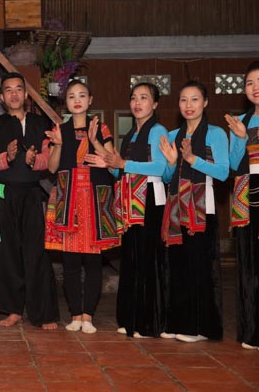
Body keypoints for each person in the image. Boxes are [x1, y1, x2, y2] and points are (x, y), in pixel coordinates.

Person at [0, 72, 59, 329]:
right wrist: (8, 157)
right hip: (3, 195)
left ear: (26, 95)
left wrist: (34, 160)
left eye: (18, 89)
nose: (14, 94)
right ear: (2, 98)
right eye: (8, 90)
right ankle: (13, 310)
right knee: (6, 254)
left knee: (37, 253)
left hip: (32, 196)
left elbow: (50, 160)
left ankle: (43, 313)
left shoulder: (39, 124)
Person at [94, 82, 169, 338]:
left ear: (155, 104)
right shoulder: (130, 135)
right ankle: (129, 318)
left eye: (144, 98)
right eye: (134, 98)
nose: (137, 102)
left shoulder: (159, 130)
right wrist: (104, 158)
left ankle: (148, 322)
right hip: (128, 202)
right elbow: (118, 171)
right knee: (131, 261)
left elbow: (160, 168)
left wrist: (123, 163)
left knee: (147, 261)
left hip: (149, 200)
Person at [45, 80, 119, 334]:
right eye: (71, 96)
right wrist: (58, 144)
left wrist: (94, 141)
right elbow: (52, 168)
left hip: (95, 202)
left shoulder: (101, 127)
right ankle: (75, 314)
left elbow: (112, 163)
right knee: (70, 262)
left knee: (94, 261)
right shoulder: (60, 130)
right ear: (66, 102)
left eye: (82, 95)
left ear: (90, 100)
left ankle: (88, 316)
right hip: (68, 200)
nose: (77, 100)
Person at [159, 80, 228, 343]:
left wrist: (193, 160)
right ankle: (179, 322)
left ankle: (200, 327)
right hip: (176, 210)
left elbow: (223, 172)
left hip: (202, 210)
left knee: (200, 268)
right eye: (183, 100)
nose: (188, 105)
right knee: (177, 268)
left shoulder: (216, 133)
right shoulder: (175, 135)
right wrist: (174, 162)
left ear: (206, 102)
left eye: (195, 99)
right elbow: (167, 177)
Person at [225, 60, 259, 353]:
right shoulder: (241, 120)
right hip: (246, 200)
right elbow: (233, 164)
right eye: (249, 83)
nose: (255, 88)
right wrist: (241, 138)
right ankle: (252, 330)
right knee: (249, 269)